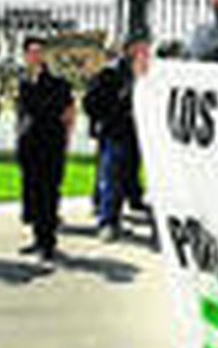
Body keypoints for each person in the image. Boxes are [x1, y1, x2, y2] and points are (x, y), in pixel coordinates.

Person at [85, 35, 149, 239]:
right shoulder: (111, 73)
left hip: (136, 132)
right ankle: (108, 221)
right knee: (112, 174)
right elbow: (92, 101)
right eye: (139, 48)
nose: (143, 53)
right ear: (128, 50)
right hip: (115, 130)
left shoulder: (149, 72)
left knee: (127, 172)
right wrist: (102, 121)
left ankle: (130, 201)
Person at [16, 37, 75, 259]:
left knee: (48, 194)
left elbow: (69, 113)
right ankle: (37, 237)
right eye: (31, 52)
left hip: (50, 145)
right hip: (29, 145)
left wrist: (66, 141)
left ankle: (47, 242)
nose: (35, 56)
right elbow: (22, 115)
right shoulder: (24, 82)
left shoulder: (58, 83)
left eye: (39, 52)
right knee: (31, 193)